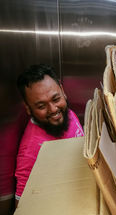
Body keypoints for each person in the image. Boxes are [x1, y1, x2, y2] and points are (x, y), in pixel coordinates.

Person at [15, 64, 84, 206]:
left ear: (63, 91)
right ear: (28, 108)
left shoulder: (67, 113)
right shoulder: (30, 150)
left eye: (56, 99)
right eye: (41, 106)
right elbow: (22, 206)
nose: (53, 110)